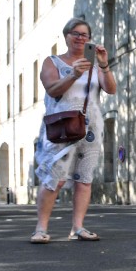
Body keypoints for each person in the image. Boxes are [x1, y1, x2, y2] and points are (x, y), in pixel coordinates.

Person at [31, 18, 117, 244]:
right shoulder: (53, 62)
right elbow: (52, 90)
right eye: (75, 34)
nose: (80, 38)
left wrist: (104, 64)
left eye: (84, 35)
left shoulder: (95, 65)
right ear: (66, 35)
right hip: (62, 127)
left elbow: (111, 89)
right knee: (54, 178)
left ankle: (78, 227)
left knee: (85, 178)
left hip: (91, 127)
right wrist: (73, 74)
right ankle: (41, 229)